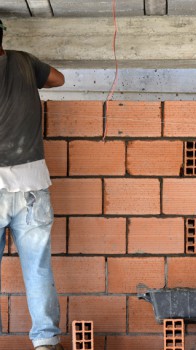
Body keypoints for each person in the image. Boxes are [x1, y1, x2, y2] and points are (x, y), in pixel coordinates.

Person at [0, 19, 65, 350]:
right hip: (31, 183)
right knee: (38, 267)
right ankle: (47, 342)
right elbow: (59, 79)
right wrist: (26, 79)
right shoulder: (23, 61)